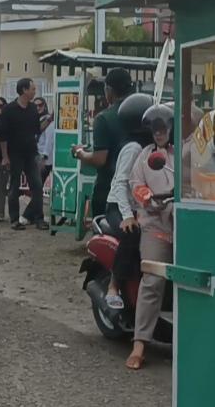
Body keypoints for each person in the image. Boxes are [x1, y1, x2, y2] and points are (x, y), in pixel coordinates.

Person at [126, 102, 176, 370]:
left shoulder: (184, 153)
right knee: (153, 280)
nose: (159, 134)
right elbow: (136, 185)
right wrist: (147, 197)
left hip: (185, 224)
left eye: (163, 128)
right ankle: (140, 343)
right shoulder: (145, 157)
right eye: (154, 130)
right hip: (155, 225)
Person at [102, 92, 154, 311]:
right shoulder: (133, 147)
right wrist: (127, 217)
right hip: (118, 205)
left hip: (142, 206)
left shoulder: (154, 146)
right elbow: (120, 184)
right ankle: (114, 285)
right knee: (133, 233)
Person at [72, 67, 134, 218]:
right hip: (141, 188)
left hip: (110, 190)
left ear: (109, 90)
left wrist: (80, 153)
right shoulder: (144, 111)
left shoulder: (104, 118)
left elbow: (100, 159)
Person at [0, 78, 48, 231]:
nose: (34, 91)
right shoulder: (9, 110)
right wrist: (5, 157)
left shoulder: (32, 109)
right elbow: (2, 136)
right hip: (15, 154)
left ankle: (39, 219)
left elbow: (37, 130)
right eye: (32, 89)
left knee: (37, 186)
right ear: (24, 90)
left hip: (31, 153)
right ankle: (14, 219)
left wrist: (50, 120)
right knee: (14, 186)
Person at [34, 97, 54, 184]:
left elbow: (49, 140)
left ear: (45, 106)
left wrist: (44, 156)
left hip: (43, 157)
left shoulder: (48, 119)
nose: (38, 107)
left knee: (38, 183)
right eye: (35, 106)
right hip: (36, 154)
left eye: (40, 105)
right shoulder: (36, 119)